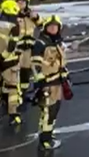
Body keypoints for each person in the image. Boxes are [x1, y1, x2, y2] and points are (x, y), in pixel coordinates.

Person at [32, 15, 69, 150]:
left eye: (56, 26)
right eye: (50, 26)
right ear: (45, 28)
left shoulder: (57, 43)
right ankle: (45, 141)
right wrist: (40, 81)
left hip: (57, 82)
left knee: (54, 110)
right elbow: (35, 64)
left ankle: (48, 133)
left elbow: (61, 63)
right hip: (47, 84)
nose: (53, 28)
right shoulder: (40, 43)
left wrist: (65, 76)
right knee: (48, 112)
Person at [15, 0, 43, 107]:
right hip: (16, 49)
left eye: (23, 2)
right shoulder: (13, 15)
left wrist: (36, 17)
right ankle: (13, 96)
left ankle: (24, 93)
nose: (21, 4)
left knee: (26, 72)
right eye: (19, 2)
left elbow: (42, 25)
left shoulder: (31, 15)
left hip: (28, 49)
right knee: (14, 73)